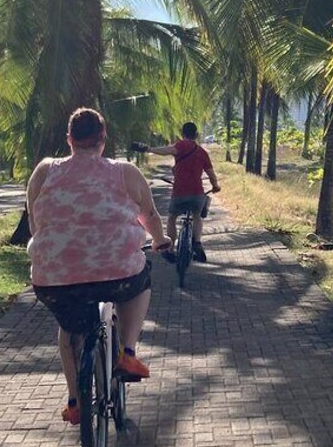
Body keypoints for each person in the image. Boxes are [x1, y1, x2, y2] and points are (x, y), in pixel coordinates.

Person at [26, 107, 170, 425]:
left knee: (69, 332)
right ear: (103, 138)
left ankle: (75, 401)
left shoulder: (45, 170)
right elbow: (150, 216)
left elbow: (36, 222)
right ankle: (128, 354)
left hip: (54, 280)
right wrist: (159, 240)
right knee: (141, 280)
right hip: (117, 275)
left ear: (70, 139)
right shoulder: (125, 171)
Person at [143, 122, 220, 262]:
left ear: (182, 134)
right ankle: (197, 243)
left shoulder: (181, 145)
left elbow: (167, 150)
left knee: (172, 218)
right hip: (197, 193)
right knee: (197, 216)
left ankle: (169, 249)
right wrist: (215, 186)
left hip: (179, 193)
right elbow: (211, 174)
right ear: (196, 134)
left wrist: (149, 149)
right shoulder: (202, 152)